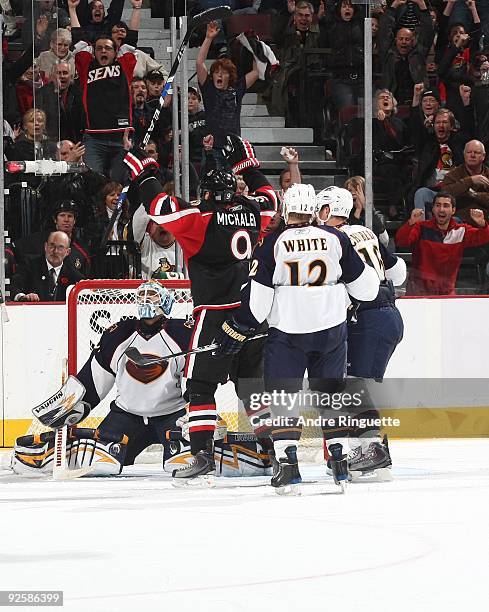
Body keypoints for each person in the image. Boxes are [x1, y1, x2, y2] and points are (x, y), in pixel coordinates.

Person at [123, 134, 278, 481]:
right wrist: (247, 165)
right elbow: (270, 199)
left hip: (216, 314)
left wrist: (143, 170)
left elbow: (160, 207)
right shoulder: (252, 214)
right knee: (253, 388)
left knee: (199, 387)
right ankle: (275, 451)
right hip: (254, 314)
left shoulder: (200, 220)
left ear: (207, 195)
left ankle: (202, 455)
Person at [213, 183, 380, 493]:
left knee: (283, 400)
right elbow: (367, 289)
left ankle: (289, 466)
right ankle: (340, 462)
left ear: (285, 210)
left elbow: (258, 305)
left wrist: (236, 327)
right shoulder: (336, 238)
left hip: (288, 335)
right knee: (330, 394)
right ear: (315, 211)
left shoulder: (272, 245)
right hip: (331, 331)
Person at [14, 281, 271, 477]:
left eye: (153, 296)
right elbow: (94, 382)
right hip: (126, 417)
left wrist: (194, 416)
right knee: (105, 461)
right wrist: (70, 409)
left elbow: (198, 381)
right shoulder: (118, 335)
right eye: (143, 296)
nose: (147, 301)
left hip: (171, 416)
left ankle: (253, 451)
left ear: (166, 303)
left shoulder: (184, 334)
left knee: (179, 460)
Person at [317, 186, 406, 479]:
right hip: (387, 315)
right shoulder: (364, 232)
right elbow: (398, 272)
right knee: (357, 387)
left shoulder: (334, 239)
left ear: (328, 210)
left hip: (367, 319)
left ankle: (373, 449)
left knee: (354, 386)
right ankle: (376, 455)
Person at [72, 14, 137, 177]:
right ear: (93, 52)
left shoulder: (124, 65)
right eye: (99, 48)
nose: (103, 51)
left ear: (116, 52)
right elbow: (78, 40)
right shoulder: (87, 67)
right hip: (94, 138)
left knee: (119, 183)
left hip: (121, 137)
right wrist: (73, 10)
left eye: (108, 48)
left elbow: (132, 39)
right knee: (94, 182)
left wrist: (136, 9)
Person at [396, 191, 489, 295]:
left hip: (446, 291)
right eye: (438, 205)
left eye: (446, 206)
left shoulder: (461, 230)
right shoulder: (421, 227)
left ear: (453, 210)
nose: (441, 209)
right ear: (433, 209)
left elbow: (484, 237)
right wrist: (410, 223)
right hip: (419, 291)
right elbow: (401, 241)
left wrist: (482, 224)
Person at [196, 21, 258, 155]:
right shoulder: (209, 89)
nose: (219, 74)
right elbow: (199, 63)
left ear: (230, 77)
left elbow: (255, 72)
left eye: (223, 72)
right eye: (216, 72)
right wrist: (208, 38)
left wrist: (255, 48)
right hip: (213, 147)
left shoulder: (237, 89)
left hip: (234, 146)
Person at [378, 0, 434, 105]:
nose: (404, 42)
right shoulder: (389, 54)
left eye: (407, 39)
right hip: (393, 102)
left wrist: (422, 5)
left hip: (416, 103)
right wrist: (393, 6)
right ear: (396, 40)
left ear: (413, 41)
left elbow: (428, 33)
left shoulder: (418, 53)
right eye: (401, 39)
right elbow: (384, 31)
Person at [11, 230, 85, 302]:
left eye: (60, 247)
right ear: (45, 247)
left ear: (68, 252)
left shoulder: (75, 277)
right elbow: (14, 287)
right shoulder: (29, 264)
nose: (55, 251)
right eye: (52, 245)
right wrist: (22, 297)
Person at [441, 140, 489, 223]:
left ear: (483, 156)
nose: (472, 155)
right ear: (464, 155)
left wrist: (474, 194)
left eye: (476, 152)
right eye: (469, 152)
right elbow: (444, 193)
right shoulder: (454, 174)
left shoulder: (487, 174)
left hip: (484, 221)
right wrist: (470, 180)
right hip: (460, 221)